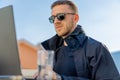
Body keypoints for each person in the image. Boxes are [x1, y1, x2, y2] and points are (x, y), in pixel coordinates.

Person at [41, 0, 120, 80]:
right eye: (52, 18)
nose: (56, 22)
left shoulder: (96, 49)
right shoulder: (50, 52)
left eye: (61, 16)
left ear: (75, 18)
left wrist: (59, 78)